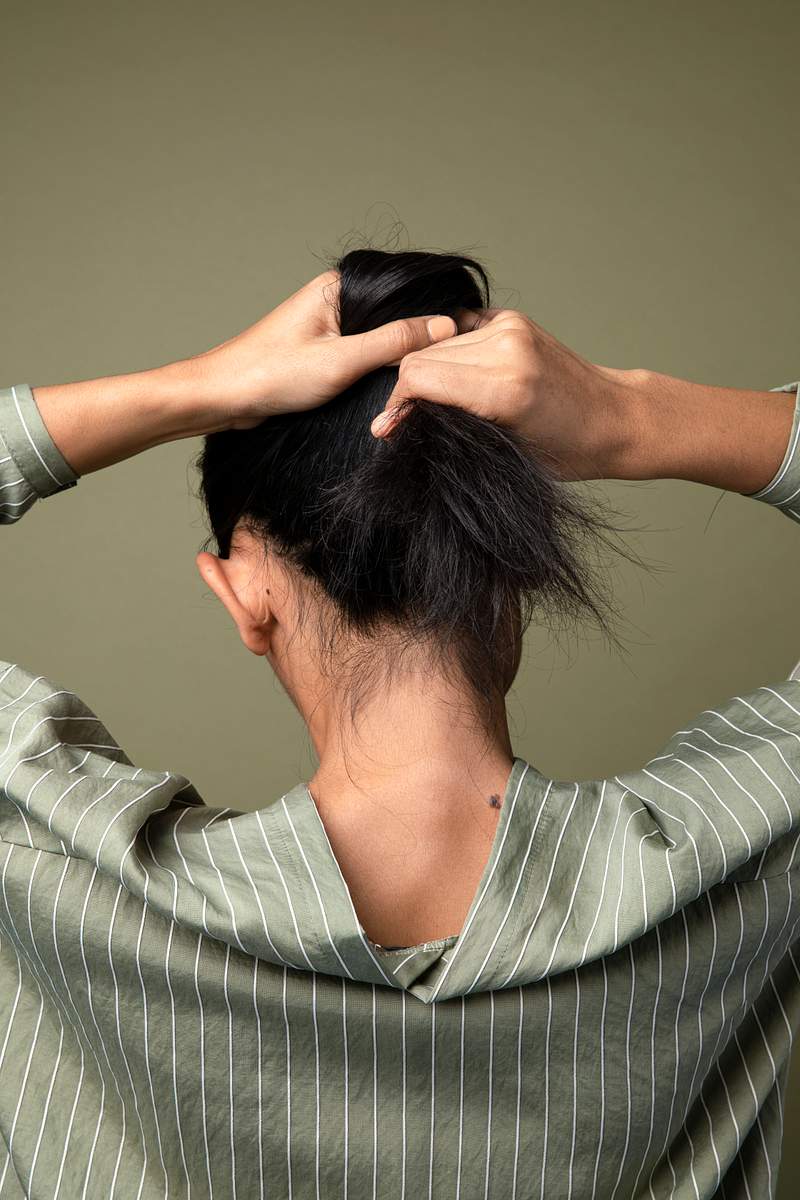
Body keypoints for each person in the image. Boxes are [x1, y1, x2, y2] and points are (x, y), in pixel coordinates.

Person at [0, 247, 798, 1200]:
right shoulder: (744, 854)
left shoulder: (54, 867)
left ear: (244, 591)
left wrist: (193, 388)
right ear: (513, 560)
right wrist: (630, 417)